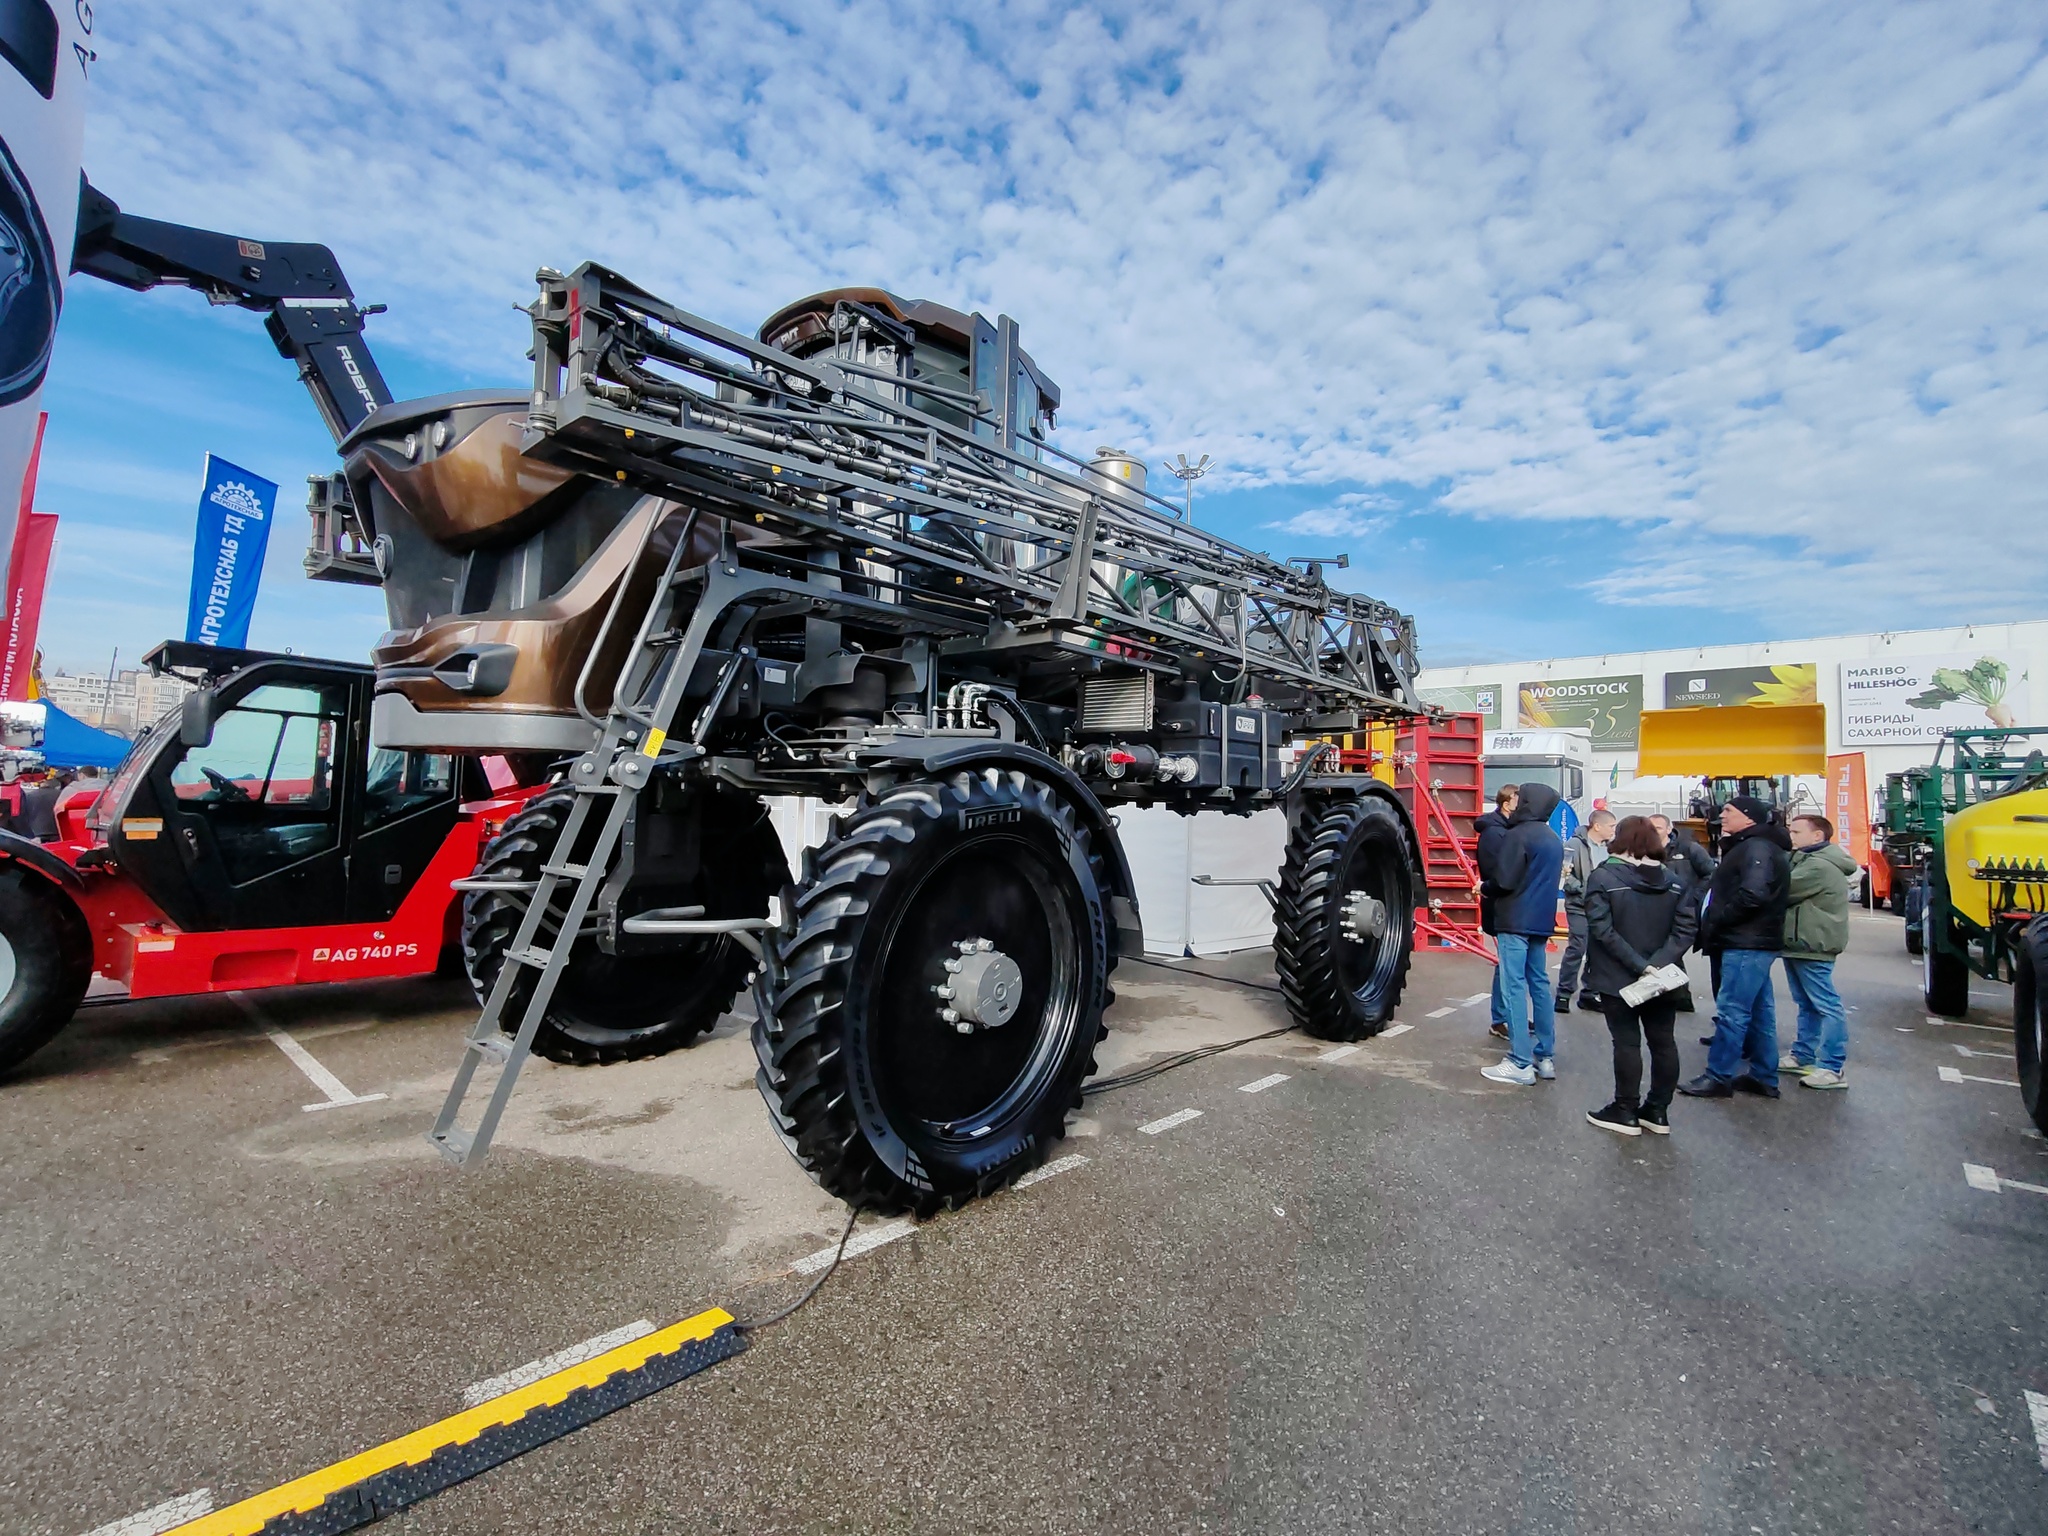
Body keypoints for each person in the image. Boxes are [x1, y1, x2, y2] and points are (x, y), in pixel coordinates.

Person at [1583, 815, 1699, 1135]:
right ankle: (1657, 1110)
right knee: (1663, 1042)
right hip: (1665, 976)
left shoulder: (1603, 877)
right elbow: (1686, 929)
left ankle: (1625, 1109)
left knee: (1627, 1042)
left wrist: (1639, 965)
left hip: (1617, 975)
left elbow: (1602, 930)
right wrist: (1658, 965)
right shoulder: (1675, 881)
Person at [1679, 795, 1792, 1100]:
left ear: (1748, 817)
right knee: (1759, 1011)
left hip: (1746, 941)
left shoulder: (1755, 848)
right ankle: (1764, 1076)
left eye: (1729, 811)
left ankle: (1719, 1076)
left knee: (1733, 1011)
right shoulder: (1756, 846)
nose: (1722, 815)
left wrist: (1719, 919)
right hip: (1752, 941)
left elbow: (1753, 894)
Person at [1479, 782, 1565, 1086]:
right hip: (1542, 921)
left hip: (1514, 919)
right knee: (1540, 985)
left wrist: (1483, 887)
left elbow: (1503, 880)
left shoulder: (1518, 835)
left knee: (1513, 986)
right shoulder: (1553, 839)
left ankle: (1519, 1061)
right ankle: (1545, 1056)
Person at [1778, 813, 1857, 1090]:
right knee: (1808, 1003)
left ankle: (1832, 1067)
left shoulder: (1819, 867)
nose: (1791, 836)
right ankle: (1803, 1055)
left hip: (1812, 942)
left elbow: (1782, 890)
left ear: (1817, 836)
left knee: (1825, 1005)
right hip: (1801, 942)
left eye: (1797, 832)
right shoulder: (1808, 860)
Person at [1556, 808, 1616, 1014]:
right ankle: (1564, 992)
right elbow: (1564, 875)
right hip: (1579, 906)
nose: (1613, 831)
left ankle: (1590, 993)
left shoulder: (1611, 848)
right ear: (1597, 826)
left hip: (1603, 908)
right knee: (1577, 947)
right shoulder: (1573, 845)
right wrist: (1582, 890)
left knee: (1598, 950)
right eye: (1611, 826)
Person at [1475, 785, 1519, 1041]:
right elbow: (1497, 873)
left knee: (1509, 964)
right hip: (1500, 906)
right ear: (1506, 804)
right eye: (1517, 800)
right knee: (1507, 964)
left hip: (1505, 905)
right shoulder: (1494, 834)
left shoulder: (1504, 831)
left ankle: (1506, 1016)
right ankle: (1501, 1018)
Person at [1651, 813, 1714, 890]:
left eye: (1658, 828)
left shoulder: (1689, 848)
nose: (1653, 831)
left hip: (1685, 899)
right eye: (1650, 828)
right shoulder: (1640, 852)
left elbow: (1711, 874)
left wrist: (1696, 895)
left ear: (1668, 830)